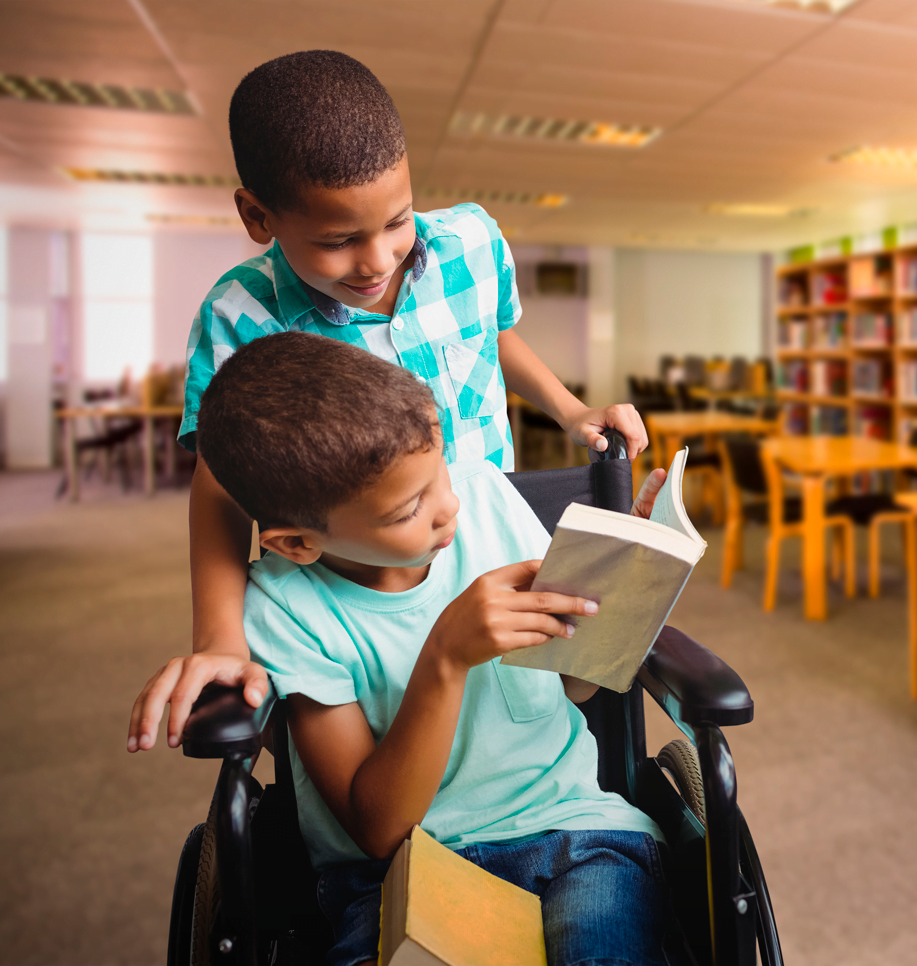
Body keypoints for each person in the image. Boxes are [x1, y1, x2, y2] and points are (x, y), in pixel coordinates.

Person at [128, 50, 646, 751]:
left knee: (513, 712)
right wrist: (221, 638)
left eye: (397, 221)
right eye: (339, 241)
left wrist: (569, 408)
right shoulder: (240, 314)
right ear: (257, 216)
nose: (377, 260)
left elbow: (493, 336)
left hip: (486, 533)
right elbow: (219, 485)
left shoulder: (469, 239)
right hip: (353, 580)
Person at [138, 332, 671, 966]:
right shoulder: (288, 610)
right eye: (408, 508)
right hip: (399, 869)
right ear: (298, 544)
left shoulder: (485, 496)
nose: (449, 507)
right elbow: (378, 828)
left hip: (577, 832)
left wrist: (618, 591)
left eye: (441, 469)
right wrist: (445, 656)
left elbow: (575, 687)